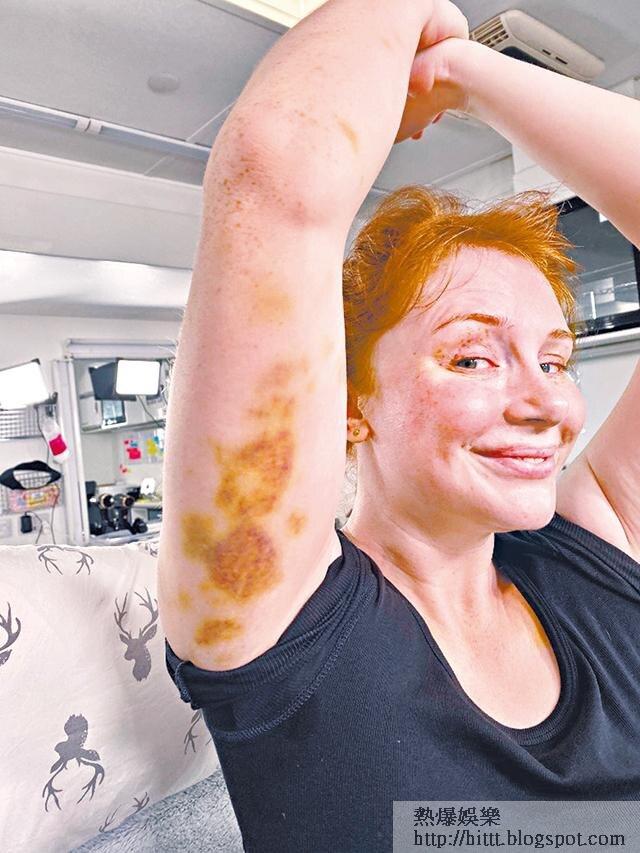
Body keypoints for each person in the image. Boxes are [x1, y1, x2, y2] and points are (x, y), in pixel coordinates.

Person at [158, 0, 640, 849]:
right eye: (472, 359)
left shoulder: (591, 559)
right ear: (350, 404)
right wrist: (419, 14)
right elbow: (275, 169)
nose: (549, 405)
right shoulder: (282, 613)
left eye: (554, 360)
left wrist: (464, 71)